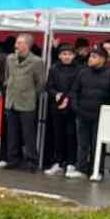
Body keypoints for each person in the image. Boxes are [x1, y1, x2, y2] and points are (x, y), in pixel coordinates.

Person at [69, 44, 110, 180]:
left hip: (101, 115)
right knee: (82, 144)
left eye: (94, 56)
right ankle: (81, 169)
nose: (90, 59)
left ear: (103, 59)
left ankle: (97, 171)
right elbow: (74, 91)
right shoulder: (83, 72)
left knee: (98, 145)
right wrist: (75, 107)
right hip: (82, 113)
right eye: (90, 56)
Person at [1, 33, 46, 171]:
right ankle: (13, 158)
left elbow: (41, 83)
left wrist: (31, 94)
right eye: (16, 42)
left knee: (28, 134)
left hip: (27, 102)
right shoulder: (10, 58)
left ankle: (31, 161)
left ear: (27, 45)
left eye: (19, 43)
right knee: (12, 133)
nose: (16, 45)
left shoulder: (37, 61)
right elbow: (7, 76)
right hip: (11, 100)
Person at [43, 42, 78, 176]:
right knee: (57, 135)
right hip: (56, 107)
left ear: (74, 56)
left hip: (71, 107)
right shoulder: (54, 68)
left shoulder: (79, 69)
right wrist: (55, 94)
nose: (67, 57)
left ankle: (70, 164)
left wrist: (67, 99)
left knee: (71, 135)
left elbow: (76, 88)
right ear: (59, 56)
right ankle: (57, 162)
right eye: (64, 54)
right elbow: (48, 86)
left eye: (69, 54)